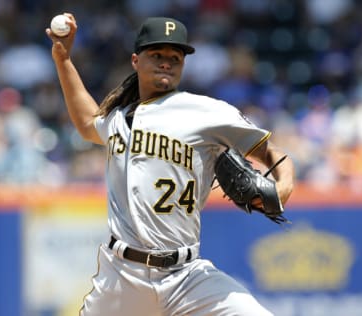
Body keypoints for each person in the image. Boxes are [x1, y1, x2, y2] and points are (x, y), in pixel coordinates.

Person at [46, 13, 295, 316]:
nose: (166, 62)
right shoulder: (121, 116)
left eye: (175, 57)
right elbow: (87, 123)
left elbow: (272, 152)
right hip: (123, 276)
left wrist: (284, 184)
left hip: (186, 277)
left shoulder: (206, 112)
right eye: (157, 54)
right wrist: (63, 59)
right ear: (136, 61)